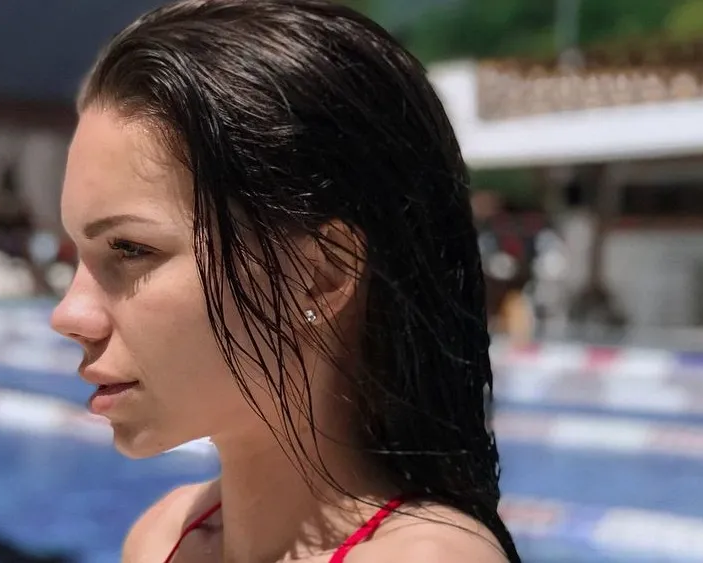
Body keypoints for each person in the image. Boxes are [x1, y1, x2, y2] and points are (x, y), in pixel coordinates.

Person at [50, 0, 520, 561]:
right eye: (79, 255)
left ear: (321, 275)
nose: (69, 315)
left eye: (131, 249)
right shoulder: (162, 537)